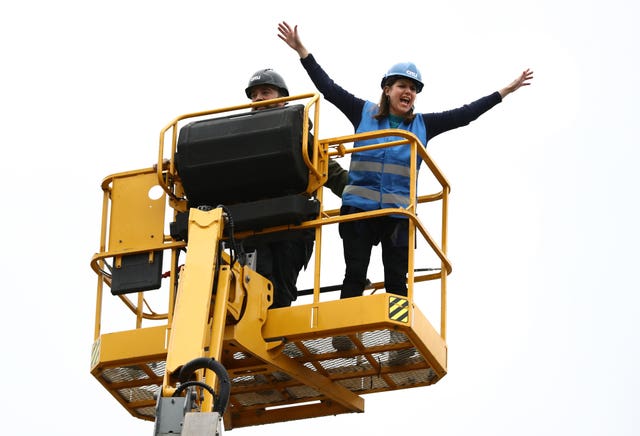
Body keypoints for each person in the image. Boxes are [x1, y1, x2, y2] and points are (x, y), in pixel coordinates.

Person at [277, 21, 533, 303]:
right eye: (402, 85)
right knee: (354, 275)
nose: (408, 92)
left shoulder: (424, 125)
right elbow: (329, 88)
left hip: (399, 216)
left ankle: (397, 338)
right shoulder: (362, 112)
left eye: (413, 88)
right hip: (359, 212)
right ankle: (344, 334)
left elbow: (466, 114)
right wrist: (302, 51)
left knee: (397, 281)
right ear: (387, 89)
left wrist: (505, 91)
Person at [242, 68, 348, 308]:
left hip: (290, 227)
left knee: (280, 292)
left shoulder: (299, 138)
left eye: (265, 92)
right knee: (251, 290)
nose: (258, 98)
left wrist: (366, 196)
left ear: (282, 100)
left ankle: (275, 340)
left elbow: (332, 174)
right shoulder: (239, 135)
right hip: (250, 228)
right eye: (254, 95)